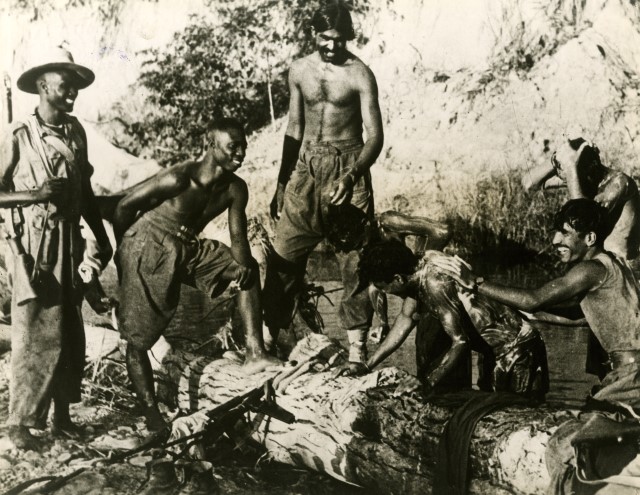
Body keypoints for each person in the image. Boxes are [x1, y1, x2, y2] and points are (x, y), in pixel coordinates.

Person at [431, 199, 640, 494]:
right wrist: (529, 313)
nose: (555, 240)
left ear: (590, 238)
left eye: (565, 233)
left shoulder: (590, 270)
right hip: (631, 372)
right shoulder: (614, 264)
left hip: (630, 377)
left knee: (573, 442)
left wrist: (474, 282)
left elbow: (533, 298)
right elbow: (576, 315)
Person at [113, 118, 281, 432]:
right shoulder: (179, 177)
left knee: (245, 269)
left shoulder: (235, 188)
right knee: (138, 339)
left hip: (188, 245)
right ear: (210, 144)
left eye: (244, 146)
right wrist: (125, 252)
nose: (241, 153)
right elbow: (123, 207)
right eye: (233, 146)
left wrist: (244, 265)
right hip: (147, 243)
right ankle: (153, 418)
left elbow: (238, 238)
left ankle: (255, 352)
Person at [0, 47, 112, 450]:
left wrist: (100, 236)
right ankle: (20, 424)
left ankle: (61, 418)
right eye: (65, 85)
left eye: (75, 86)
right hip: (34, 247)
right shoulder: (18, 135)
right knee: (34, 332)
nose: (72, 93)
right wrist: (36, 194)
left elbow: (85, 190)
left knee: (70, 330)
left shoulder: (76, 132)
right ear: (43, 86)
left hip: (71, 242)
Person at [264, 2, 384, 364]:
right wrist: (282, 183)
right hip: (306, 167)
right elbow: (293, 128)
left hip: (348, 165)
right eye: (325, 38)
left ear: (347, 37)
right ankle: (267, 343)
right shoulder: (299, 70)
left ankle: (357, 353)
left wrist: (352, 175)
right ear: (313, 34)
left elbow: (375, 137)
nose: (332, 46)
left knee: (354, 265)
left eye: (339, 39)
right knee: (283, 257)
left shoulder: (361, 75)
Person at [338, 239, 549, 400]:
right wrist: (367, 365)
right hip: (491, 351)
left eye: (385, 288)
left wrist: (426, 382)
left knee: (520, 412)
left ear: (398, 279)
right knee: (490, 409)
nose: (387, 293)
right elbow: (405, 318)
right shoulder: (415, 270)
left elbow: (460, 341)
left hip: (518, 349)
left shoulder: (435, 284)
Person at [522, 136, 640, 260]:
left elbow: (583, 218)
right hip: (598, 261)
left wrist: (571, 168)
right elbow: (528, 184)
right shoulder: (583, 176)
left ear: (591, 168)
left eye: (572, 172)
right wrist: (557, 158)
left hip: (621, 265)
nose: (568, 179)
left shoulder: (619, 183)